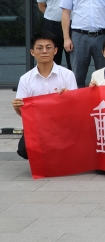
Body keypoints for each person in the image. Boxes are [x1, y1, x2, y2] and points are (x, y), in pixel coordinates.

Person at [12, 32, 77, 160]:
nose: (44, 51)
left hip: (61, 126)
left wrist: (69, 98)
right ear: (32, 52)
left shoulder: (67, 75)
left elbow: (75, 108)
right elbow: (25, 113)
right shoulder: (25, 79)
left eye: (48, 47)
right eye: (39, 48)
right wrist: (17, 108)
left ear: (55, 50)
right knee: (24, 150)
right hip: (37, 128)